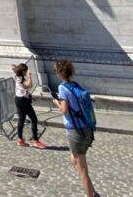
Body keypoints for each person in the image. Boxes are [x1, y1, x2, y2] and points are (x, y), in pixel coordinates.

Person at [54, 59, 99, 197]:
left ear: (59, 73)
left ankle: (90, 194)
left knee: (83, 170)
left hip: (76, 132)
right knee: (74, 160)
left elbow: (64, 109)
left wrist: (56, 102)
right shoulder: (76, 85)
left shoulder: (62, 88)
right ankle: (92, 192)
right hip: (87, 129)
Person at [12, 63, 47, 148]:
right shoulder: (20, 78)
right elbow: (29, 86)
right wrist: (29, 76)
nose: (27, 72)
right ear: (23, 71)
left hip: (18, 99)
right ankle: (36, 141)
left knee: (21, 119)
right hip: (23, 100)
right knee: (34, 119)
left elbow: (23, 88)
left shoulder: (17, 76)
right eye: (26, 70)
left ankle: (20, 140)